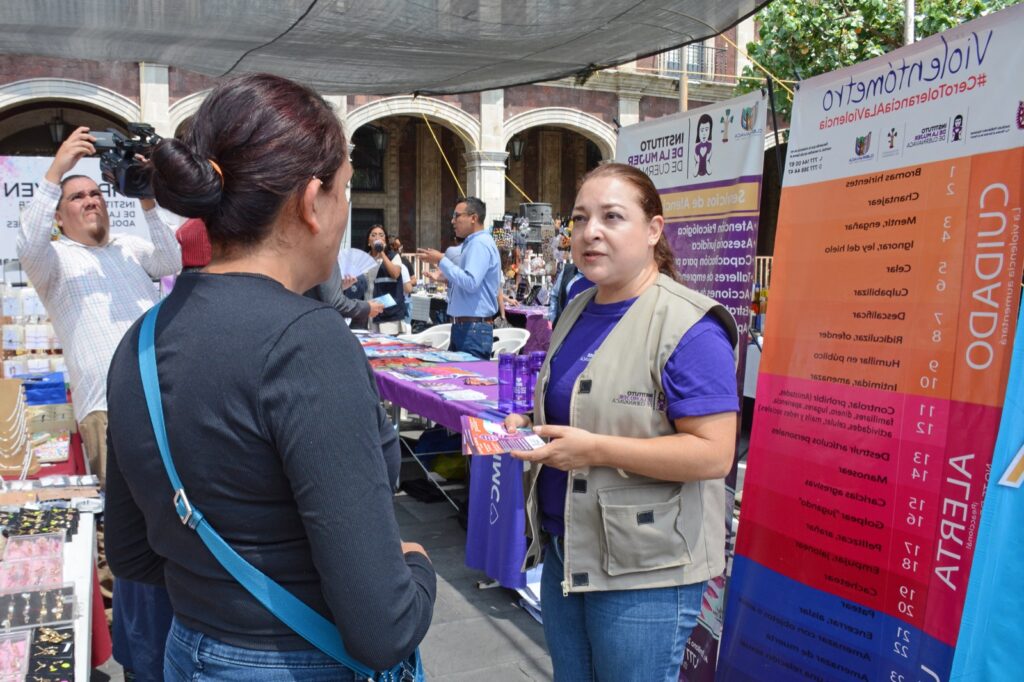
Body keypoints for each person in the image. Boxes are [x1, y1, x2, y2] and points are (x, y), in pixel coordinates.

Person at [104, 73, 435, 680]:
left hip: (190, 647)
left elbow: (131, 551)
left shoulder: (141, 340)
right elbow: (381, 625)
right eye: (343, 190)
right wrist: (418, 569)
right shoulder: (308, 341)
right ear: (312, 203)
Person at [504, 163, 738, 681]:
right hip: (570, 548)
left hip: (646, 571)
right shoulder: (577, 307)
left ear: (654, 230)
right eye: (581, 218)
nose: (591, 232)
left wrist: (595, 450)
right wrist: (533, 422)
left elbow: (713, 454)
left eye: (613, 217)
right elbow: (581, 407)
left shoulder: (689, 326)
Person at [15, 127, 182, 487]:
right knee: (120, 517)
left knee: (176, 500)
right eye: (76, 198)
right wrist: (56, 170)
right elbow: (28, 244)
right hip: (105, 406)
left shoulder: (128, 247)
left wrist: (147, 197)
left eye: (95, 193)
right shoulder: (54, 262)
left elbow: (171, 260)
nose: (91, 200)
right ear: (57, 218)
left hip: (161, 391)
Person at [417, 197, 500, 359]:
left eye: (457, 216)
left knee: (469, 381)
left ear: (473, 218)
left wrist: (441, 260)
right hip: (466, 327)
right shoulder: (473, 243)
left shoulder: (479, 244)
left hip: (472, 329)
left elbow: (470, 282)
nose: (452, 221)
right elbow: (468, 282)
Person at [305, 262, 384, 328]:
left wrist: (340, 287)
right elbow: (335, 302)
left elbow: (318, 291)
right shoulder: (326, 255)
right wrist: (367, 308)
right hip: (316, 325)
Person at [365, 224, 406, 334]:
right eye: (373, 235)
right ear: (369, 242)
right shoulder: (364, 259)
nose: (377, 237)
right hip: (370, 311)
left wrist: (382, 252)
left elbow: (395, 274)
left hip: (389, 314)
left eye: (381, 235)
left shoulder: (393, 257)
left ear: (385, 241)